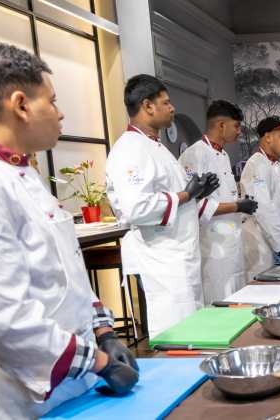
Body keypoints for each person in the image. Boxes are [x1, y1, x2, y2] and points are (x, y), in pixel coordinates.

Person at [0, 43, 138, 417]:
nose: (60, 114)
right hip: (23, 396)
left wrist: (104, 332)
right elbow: (5, 316)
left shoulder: (24, 173)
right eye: (52, 101)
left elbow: (67, 271)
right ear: (21, 105)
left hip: (76, 381)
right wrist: (99, 362)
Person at [106, 75, 219, 338]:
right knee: (176, 332)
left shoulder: (156, 147)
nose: (172, 108)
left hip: (180, 253)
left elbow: (174, 197)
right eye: (166, 103)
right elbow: (136, 208)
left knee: (193, 331)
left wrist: (197, 193)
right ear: (147, 106)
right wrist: (185, 194)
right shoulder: (129, 149)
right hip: (161, 257)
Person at [178, 100, 258, 305]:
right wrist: (238, 206)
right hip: (212, 246)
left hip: (232, 242)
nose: (239, 132)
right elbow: (195, 205)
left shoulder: (222, 154)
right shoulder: (195, 154)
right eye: (236, 126)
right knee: (218, 300)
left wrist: (239, 204)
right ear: (221, 125)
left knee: (236, 300)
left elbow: (223, 196)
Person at [241, 116, 280, 278]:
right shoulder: (256, 165)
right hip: (259, 243)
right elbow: (263, 208)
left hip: (276, 241)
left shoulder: (278, 166)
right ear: (267, 137)